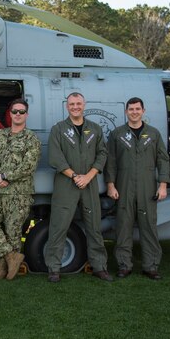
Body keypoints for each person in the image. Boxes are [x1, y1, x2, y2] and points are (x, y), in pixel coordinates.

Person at [44, 92, 111, 283]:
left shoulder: (95, 129)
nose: (75, 107)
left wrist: (88, 176)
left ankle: (100, 266)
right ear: (67, 107)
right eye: (72, 104)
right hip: (66, 184)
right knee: (58, 227)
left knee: (94, 228)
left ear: (84, 105)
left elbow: (102, 154)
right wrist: (74, 176)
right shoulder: (58, 129)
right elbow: (55, 158)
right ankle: (54, 268)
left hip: (89, 184)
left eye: (78, 103)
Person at [105, 97, 170, 280]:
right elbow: (110, 161)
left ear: (143, 111)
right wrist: (110, 184)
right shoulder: (117, 134)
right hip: (124, 187)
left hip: (147, 188)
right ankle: (124, 265)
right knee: (123, 228)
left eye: (137, 109)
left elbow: (163, 160)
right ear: (126, 112)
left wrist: (163, 184)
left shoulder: (153, 134)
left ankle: (151, 266)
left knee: (148, 227)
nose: (134, 112)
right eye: (131, 109)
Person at [0, 99, 41, 280]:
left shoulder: (31, 138)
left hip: (18, 192)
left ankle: (6, 266)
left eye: (21, 112)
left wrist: (5, 176)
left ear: (26, 115)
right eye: (15, 111)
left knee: (13, 231)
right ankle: (10, 256)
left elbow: (28, 166)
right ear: (10, 113)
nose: (18, 115)